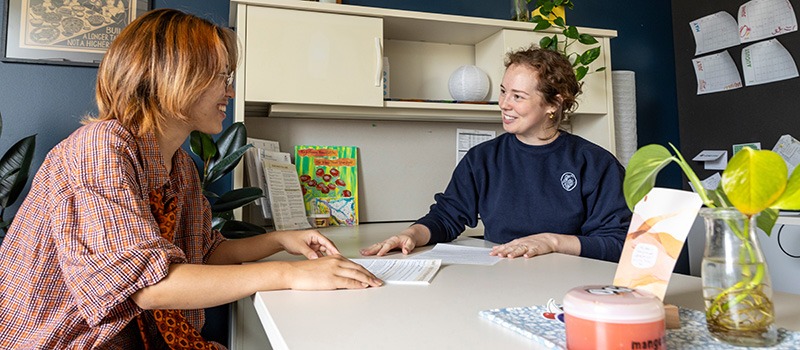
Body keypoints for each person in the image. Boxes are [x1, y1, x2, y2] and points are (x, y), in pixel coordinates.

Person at [0, 9, 381, 349]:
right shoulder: (100, 147)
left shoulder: (179, 164)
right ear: (174, 76)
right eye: (221, 78)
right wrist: (291, 274)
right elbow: (148, 287)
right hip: (68, 339)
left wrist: (282, 240)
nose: (229, 92)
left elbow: (206, 251)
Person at [361, 46, 631, 263]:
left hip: (568, 282)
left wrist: (551, 241)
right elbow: (446, 216)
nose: (504, 104)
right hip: (501, 275)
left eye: (518, 96)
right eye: (503, 92)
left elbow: (619, 243)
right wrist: (409, 235)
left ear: (553, 104)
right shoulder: (482, 158)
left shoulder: (594, 163)